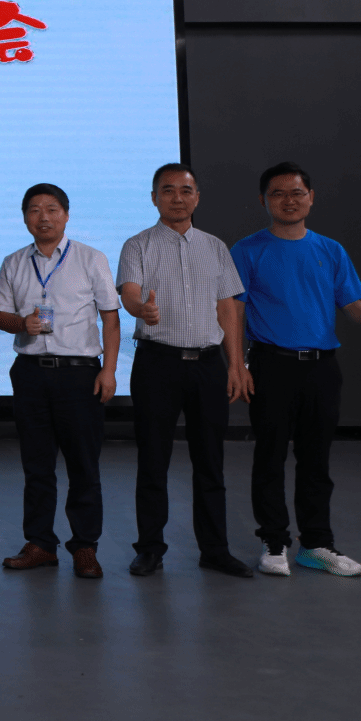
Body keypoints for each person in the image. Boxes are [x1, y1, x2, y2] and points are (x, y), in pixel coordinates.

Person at [232, 161, 361, 578]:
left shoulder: (331, 250)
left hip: (322, 368)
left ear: (311, 198)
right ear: (263, 200)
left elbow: (352, 304)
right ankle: (274, 543)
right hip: (271, 364)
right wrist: (236, 364)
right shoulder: (247, 250)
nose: (288, 201)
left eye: (297, 193)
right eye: (278, 194)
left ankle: (316, 545)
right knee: (270, 457)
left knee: (316, 460)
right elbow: (232, 313)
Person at [117, 163, 255, 579]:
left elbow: (227, 308)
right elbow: (129, 293)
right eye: (168, 190)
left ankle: (215, 550)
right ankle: (150, 549)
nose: (177, 198)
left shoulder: (215, 247)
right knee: (153, 460)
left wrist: (236, 364)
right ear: (154, 198)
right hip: (157, 364)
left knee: (210, 461)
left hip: (208, 365)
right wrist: (141, 309)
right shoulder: (137, 245)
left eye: (185, 190)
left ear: (197, 197)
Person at [0, 184, 121, 580]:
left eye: (51, 209)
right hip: (31, 372)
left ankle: (85, 547)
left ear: (66, 215)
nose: (43, 217)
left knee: (84, 465)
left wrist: (109, 370)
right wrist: (22, 323)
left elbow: (111, 318)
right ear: (25, 218)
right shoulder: (14, 262)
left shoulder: (90, 258)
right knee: (37, 465)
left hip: (80, 373)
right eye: (34, 210)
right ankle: (40, 544)